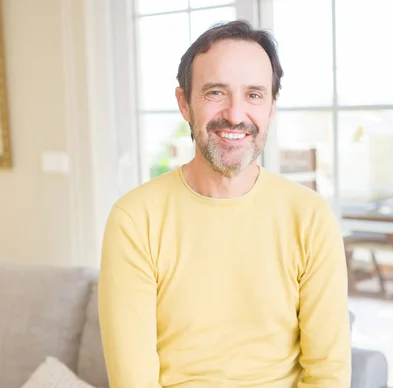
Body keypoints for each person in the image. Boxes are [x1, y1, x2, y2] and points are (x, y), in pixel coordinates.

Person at [98, 19, 351, 388]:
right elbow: (132, 379)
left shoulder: (309, 217)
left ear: (271, 107)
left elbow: (328, 372)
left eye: (253, 95)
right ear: (185, 103)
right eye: (215, 92)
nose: (235, 114)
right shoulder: (135, 219)